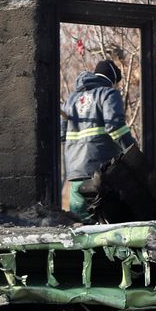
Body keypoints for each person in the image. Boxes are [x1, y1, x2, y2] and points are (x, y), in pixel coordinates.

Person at [61, 59, 137, 219]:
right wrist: (132, 151)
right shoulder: (108, 94)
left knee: (78, 225)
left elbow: (62, 134)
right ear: (113, 80)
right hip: (101, 172)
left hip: (76, 172)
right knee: (106, 225)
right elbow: (115, 127)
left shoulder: (71, 99)